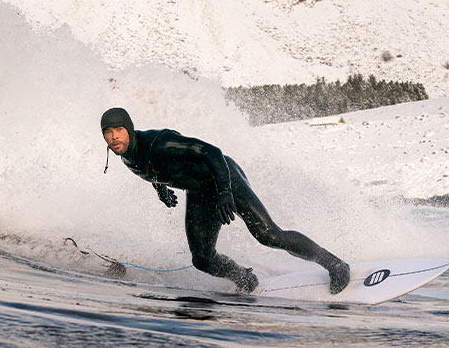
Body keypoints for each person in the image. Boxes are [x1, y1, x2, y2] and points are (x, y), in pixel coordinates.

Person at [100, 107, 350, 294]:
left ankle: (335, 264)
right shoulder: (127, 156)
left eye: (119, 130)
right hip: (199, 192)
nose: (114, 137)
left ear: (129, 129)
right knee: (202, 259)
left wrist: (225, 192)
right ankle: (245, 279)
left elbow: (212, 152)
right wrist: (160, 188)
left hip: (225, 177)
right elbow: (154, 170)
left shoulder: (160, 142)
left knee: (268, 235)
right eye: (108, 133)